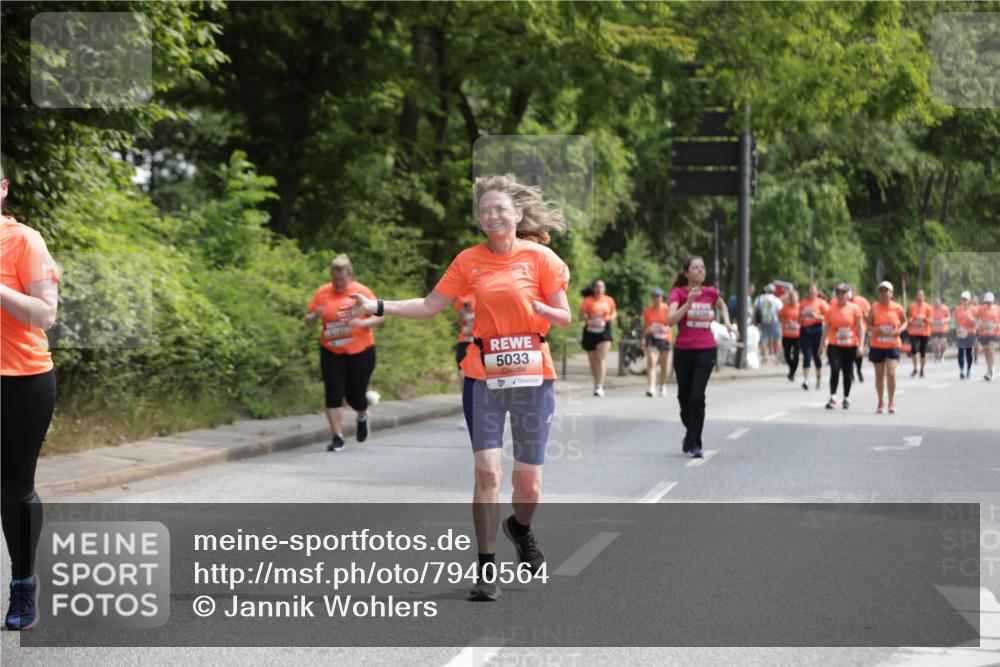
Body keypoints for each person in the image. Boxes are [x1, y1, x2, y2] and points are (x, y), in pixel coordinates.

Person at [345, 174, 571, 602]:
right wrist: (378, 305)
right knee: (487, 472)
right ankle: (487, 570)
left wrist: (542, 308)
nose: (491, 214)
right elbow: (431, 306)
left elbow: (564, 318)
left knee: (528, 487)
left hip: (532, 377)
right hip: (482, 375)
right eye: (484, 210)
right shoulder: (468, 260)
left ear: (518, 214)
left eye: (500, 208)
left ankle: (520, 528)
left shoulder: (541, 258)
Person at [1, 163, 60, 630]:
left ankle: (23, 586)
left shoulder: (24, 241)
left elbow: (45, 314)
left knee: (13, 487)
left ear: (2, 189)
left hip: (21, 380)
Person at [305, 255, 382, 451]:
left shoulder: (361, 292)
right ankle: (337, 437)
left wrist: (363, 323)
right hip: (331, 350)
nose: (338, 283)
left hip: (361, 351)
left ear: (350, 275)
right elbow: (309, 321)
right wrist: (316, 315)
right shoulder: (322, 292)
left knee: (355, 395)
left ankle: (362, 415)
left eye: (342, 279)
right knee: (333, 391)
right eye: (335, 279)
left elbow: (379, 317)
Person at [666, 256, 738, 458]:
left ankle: (695, 441)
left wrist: (728, 323)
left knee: (697, 396)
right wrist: (687, 303)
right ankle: (691, 432)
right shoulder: (678, 293)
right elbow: (670, 321)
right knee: (684, 397)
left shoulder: (711, 292)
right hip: (683, 350)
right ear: (687, 273)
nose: (699, 270)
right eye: (695, 267)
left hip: (706, 349)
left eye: (702, 267)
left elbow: (722, 305)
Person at [819, 284, 865, 409]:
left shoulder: (855, 309)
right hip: (835, 344)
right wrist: (821, 345)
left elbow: (860, 328)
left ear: (848, 295)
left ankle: (846, 397)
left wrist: (861, 345)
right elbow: (826, 328)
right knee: (835, 369)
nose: (840, 296)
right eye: (838, 293)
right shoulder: (830, 310)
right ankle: (833, 397)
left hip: (850, 345)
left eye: (843, 293)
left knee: (847, 371)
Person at [868, 280, 906, 414]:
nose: (884, 293)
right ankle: (880, 401)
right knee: (879, 376)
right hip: (877, 345)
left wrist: (900, 330)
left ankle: (891, 401)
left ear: (891, 293)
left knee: (890, 373)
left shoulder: (898, 307)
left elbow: (904, 322)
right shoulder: (874, 307)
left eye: (886, 290)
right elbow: (868, 326)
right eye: (881, 291)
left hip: (893, 344)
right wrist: (877, 330)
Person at [579, 279, 616, 396]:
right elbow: (581, 315)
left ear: (604, 289)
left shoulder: (609, 300)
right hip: (590, 331)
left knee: (600, 357)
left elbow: (614, 312)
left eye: (601, 286)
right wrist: (588, 319)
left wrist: (610, 317)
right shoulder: (588, 300)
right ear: (594, 289)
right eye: (597, 287)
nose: (599, 289)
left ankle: (600, 385)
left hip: (604, 331)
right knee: (592, 359)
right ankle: (597, 382)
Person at [642, 287, 673, 397]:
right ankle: (651, 387)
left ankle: (663, 385)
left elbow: (672, 323)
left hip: (665, 338)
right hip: (652, 337)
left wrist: (666, 328)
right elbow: (645, 326)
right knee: (651, 362)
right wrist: (643, 338)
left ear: (661, 297)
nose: (656, 298)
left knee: (664, 364)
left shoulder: (667, 309)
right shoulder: (648, 311)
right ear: (651, 298)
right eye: (654, 296)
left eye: (658, 296)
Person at [798, 283, 829, 391]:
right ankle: (806, 380)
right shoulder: (803, 303)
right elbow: (798, 320)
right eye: (809, 289)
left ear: (817, 291)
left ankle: (819, 379)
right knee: (806, 355)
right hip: (805, 331)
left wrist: (816, 316)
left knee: (817, 356)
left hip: (817, 331)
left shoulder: (821, 303)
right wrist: (803, 315)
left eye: (813, 289)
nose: (811, 291)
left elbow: (828, 318)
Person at [754, 283, 783, 363]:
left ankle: (764, 357)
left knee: (764, 339)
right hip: (775, 321)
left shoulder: (759, 298)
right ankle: (776, 356)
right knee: (777, 338)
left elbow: (755, 309)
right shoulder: (776, 299)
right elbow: (780, 311)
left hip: (763, 321)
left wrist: (755, 322)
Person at [907, 289, 933, 378]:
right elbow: (910, 318)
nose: (919, 297)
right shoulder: (912, 306)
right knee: (913, 350)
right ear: (916, 296)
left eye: (921, 295)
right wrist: (910, 320)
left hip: (924, 332)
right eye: (918, 295)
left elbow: (931, 320)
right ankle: (915, 368)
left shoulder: (928, 307)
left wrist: (924, 318)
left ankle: (922, 369)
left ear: (924, 296)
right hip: (914, 331)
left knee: (922, 352)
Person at [849, 286, 871, 383]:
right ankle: (851, 372)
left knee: (859, 352)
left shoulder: (862, 301)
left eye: (852, 290)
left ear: (855, 291)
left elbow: (869, 316)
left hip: (861, 330)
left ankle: (858, 370)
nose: (850, 293)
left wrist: (862, 313)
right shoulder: (844, 303)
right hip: (850, 332)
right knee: (849, 353)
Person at [779, 289, 801, 382]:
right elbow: (781, 318)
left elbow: (804, 319)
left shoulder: (801, 307)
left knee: (796, 355)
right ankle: (791, 367)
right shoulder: (784, 308)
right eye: (791, 298)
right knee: (787, 355)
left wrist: (797, 323)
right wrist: (787, 322)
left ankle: (792, 372)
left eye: (794, 298)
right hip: (787, 334)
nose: (792, 300)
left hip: (797, 335)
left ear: (798, 298)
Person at [455, 294, 477, 390]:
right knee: (462, 372)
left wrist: (473, 315)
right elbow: (461, 318)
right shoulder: (462, 297)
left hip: (479, 340)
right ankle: (465, 401)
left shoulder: (485, 293)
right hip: (464, 340)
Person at [977, 292, 998, 381]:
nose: (988, 303)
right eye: (987, 301)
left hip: (995, 333)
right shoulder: (981, 309)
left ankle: (990, 372)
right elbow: (977, 318)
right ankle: (990, 367)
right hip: (983, 333)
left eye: (990, 301)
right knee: (986, 352)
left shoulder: (998, 308)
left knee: (991, 351)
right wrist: (981, 323)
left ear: (993, 301)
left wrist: (998, 325)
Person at [954, 291, 976, 380]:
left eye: (966, 299)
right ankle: (962, 370)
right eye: (963, 299)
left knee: (968, 352)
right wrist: (957, 328)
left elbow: (978, 321)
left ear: (969, 300)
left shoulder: (974, 309)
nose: (964, 301)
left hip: (971, 332)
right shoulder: (958, 309)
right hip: (961, 333)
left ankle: (969, 370)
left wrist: (972, 319)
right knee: (961, 351)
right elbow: (956, 320)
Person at [930, 296, 950, 362]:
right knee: (935, 344)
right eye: (935, 303)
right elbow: (928, 318)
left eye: (938, 303)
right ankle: (936, 356)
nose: (937, 305)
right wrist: (931, 320)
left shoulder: (945, 308)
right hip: (934, 329)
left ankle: (941, 355)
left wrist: (943, 320)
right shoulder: (931, 309)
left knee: (943, 345)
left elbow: (949, 318)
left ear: (940, 303)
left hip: (943, 329)